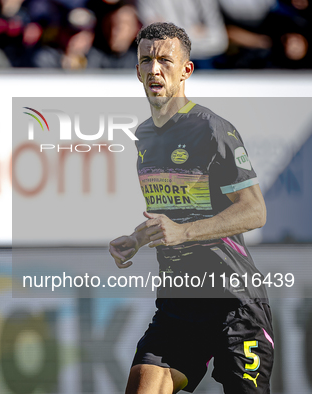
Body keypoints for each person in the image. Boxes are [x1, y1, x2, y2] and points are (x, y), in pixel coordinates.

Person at [109, 22, 274, 393]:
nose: (154, 69)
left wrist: (183, 232)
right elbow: (171, 214)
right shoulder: (143, 137)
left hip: (235, 302)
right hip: (178, 302)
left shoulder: (212, 129)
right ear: (137, 70)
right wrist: (136, 240)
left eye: (165, 60)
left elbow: (254, 211)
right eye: (146, 60)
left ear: (186, 70)